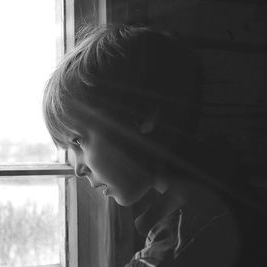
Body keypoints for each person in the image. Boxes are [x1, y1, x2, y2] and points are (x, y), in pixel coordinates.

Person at [42, 25, 266, 267]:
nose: (78, 169)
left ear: (141, 116)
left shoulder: (184, 238)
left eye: (78, 141)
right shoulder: (218, 190)